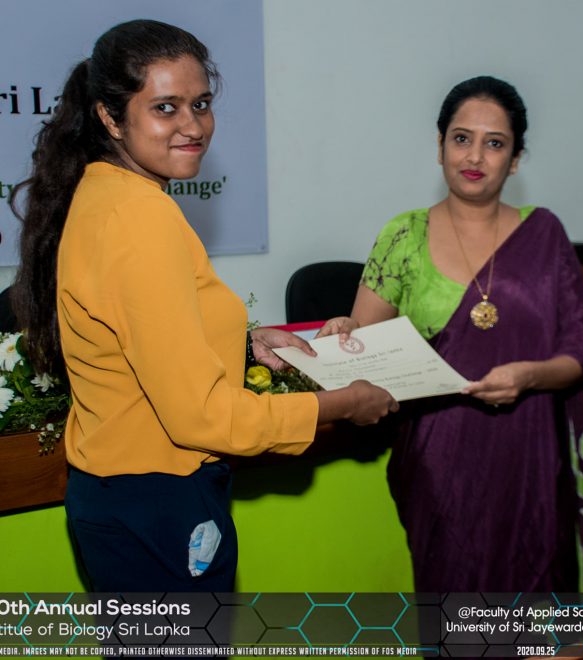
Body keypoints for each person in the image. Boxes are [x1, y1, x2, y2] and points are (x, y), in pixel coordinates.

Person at [10, 19, 398, 593]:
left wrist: (244, 343)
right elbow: (203, 416)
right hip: (159, 505)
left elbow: (133, 338)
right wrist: (343, 405)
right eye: (165, 108)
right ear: (111, 117)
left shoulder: (104, 192)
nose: (192, 126)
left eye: (201, 104)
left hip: (119, 497)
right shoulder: (141, 219)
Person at [319, 76, 583, 592]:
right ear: (440, 146)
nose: (474, 156)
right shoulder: (403, 235)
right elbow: (364, 341)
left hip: (530, 457)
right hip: (438, 461)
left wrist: (530, 375)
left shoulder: (544, 235)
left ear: (516, 159)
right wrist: (346, 330)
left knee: (534, 594)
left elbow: (578, 357)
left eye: (494, 143)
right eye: (461, 138)